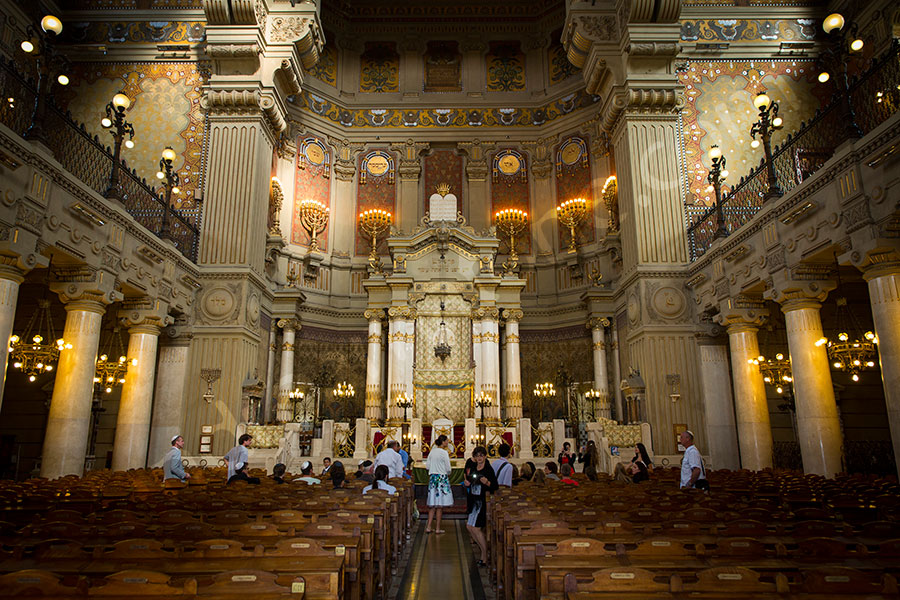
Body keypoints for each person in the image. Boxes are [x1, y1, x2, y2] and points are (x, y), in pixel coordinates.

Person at [464, 446, 498, 567]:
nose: (479, 458)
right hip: (474, 500)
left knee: (477, 528)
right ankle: (483, 550)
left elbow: (494, 485)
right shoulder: (473, 467)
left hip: (483, 501)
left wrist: (487, 482)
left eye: (481, 455)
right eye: (477, 456)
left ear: (485, 456)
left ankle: (484, 555)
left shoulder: (488, 469)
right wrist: (467, 482)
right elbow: (467, 477)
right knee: (469, 526)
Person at [425, 434, 453, 534]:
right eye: (446, 441)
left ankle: (428, 527)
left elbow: (427, 466)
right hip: (442, 478)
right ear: (443, 442)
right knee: (440, 506)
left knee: (432, 505)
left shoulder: (432, 452)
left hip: (433, 479)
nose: (447, 443)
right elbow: (448, 468)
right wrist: (447, 473)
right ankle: (437, 528)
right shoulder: (444, 453)